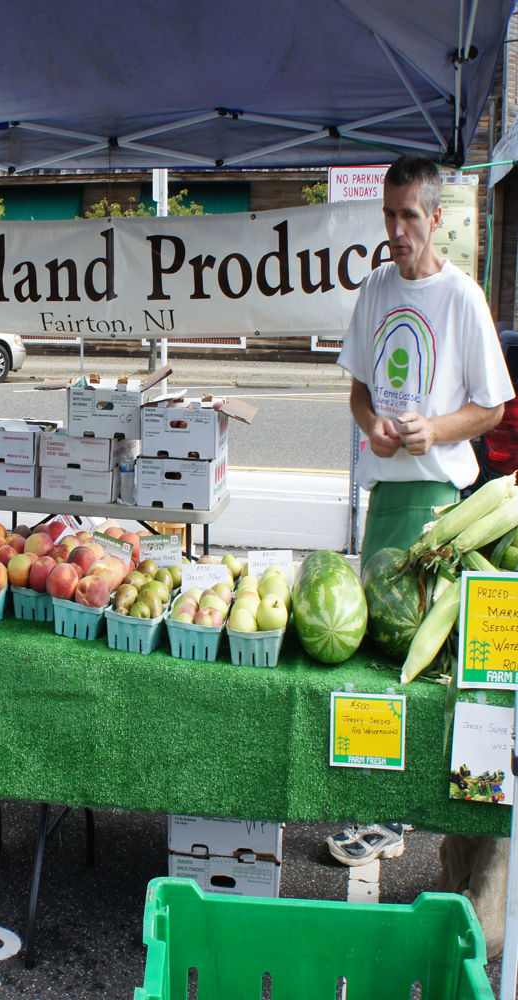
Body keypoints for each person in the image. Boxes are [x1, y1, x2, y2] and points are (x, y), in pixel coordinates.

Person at [334, 154, 513, 958]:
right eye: (389, 217)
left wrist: (432, 431)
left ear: (435, 217)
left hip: (442, 511)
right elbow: (357, 388)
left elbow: (494, 405)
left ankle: (425, 828)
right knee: (373, 659)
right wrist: (374, 423)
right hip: (384, 503)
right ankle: (381, 813)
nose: (398, 233)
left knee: (432, 682)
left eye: (410, 218)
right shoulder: (376, 291)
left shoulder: (463, 297)